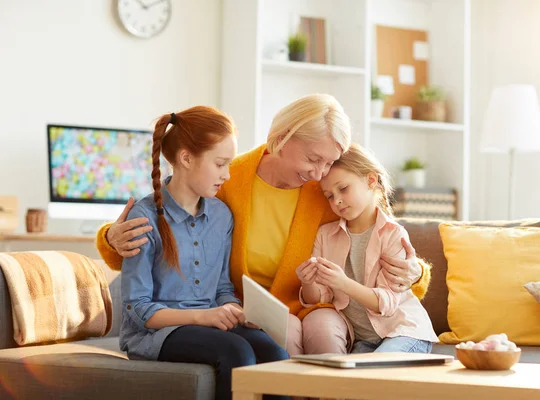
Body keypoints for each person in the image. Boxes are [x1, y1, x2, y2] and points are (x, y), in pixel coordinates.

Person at [97, 94, 432, 356]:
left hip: (314, 304)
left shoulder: (327, 192)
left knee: (321, 332)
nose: (319, 174)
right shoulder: (227, 178)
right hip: (246, 309)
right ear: (281, 139)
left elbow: (377, 232)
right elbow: (165, 231)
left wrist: (415, 272)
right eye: (313, 159)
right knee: (279, 337)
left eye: (328, 162)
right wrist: (111, 238)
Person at [119, 106, 288, 400]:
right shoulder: (144, 217)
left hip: (207, 324)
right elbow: (138, 308)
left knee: (275, 353)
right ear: (186, 158)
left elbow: (222, 286)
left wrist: (234, 310)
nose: (228, 175)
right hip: (158, 333)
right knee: (236, 352)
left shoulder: (222, 216)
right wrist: (204, 317)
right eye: (220, 164)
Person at [296, 143, 438, 353]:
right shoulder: (325, 235)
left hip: (404, 332)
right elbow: (320, 297)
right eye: (330, 196)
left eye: (343, 188)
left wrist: (343, 283)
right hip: (363, 341)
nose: (338, 200)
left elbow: (387, 303)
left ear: (371, 180)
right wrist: (307, 283)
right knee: (349, 380)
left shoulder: (392, 234)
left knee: (374, 372)